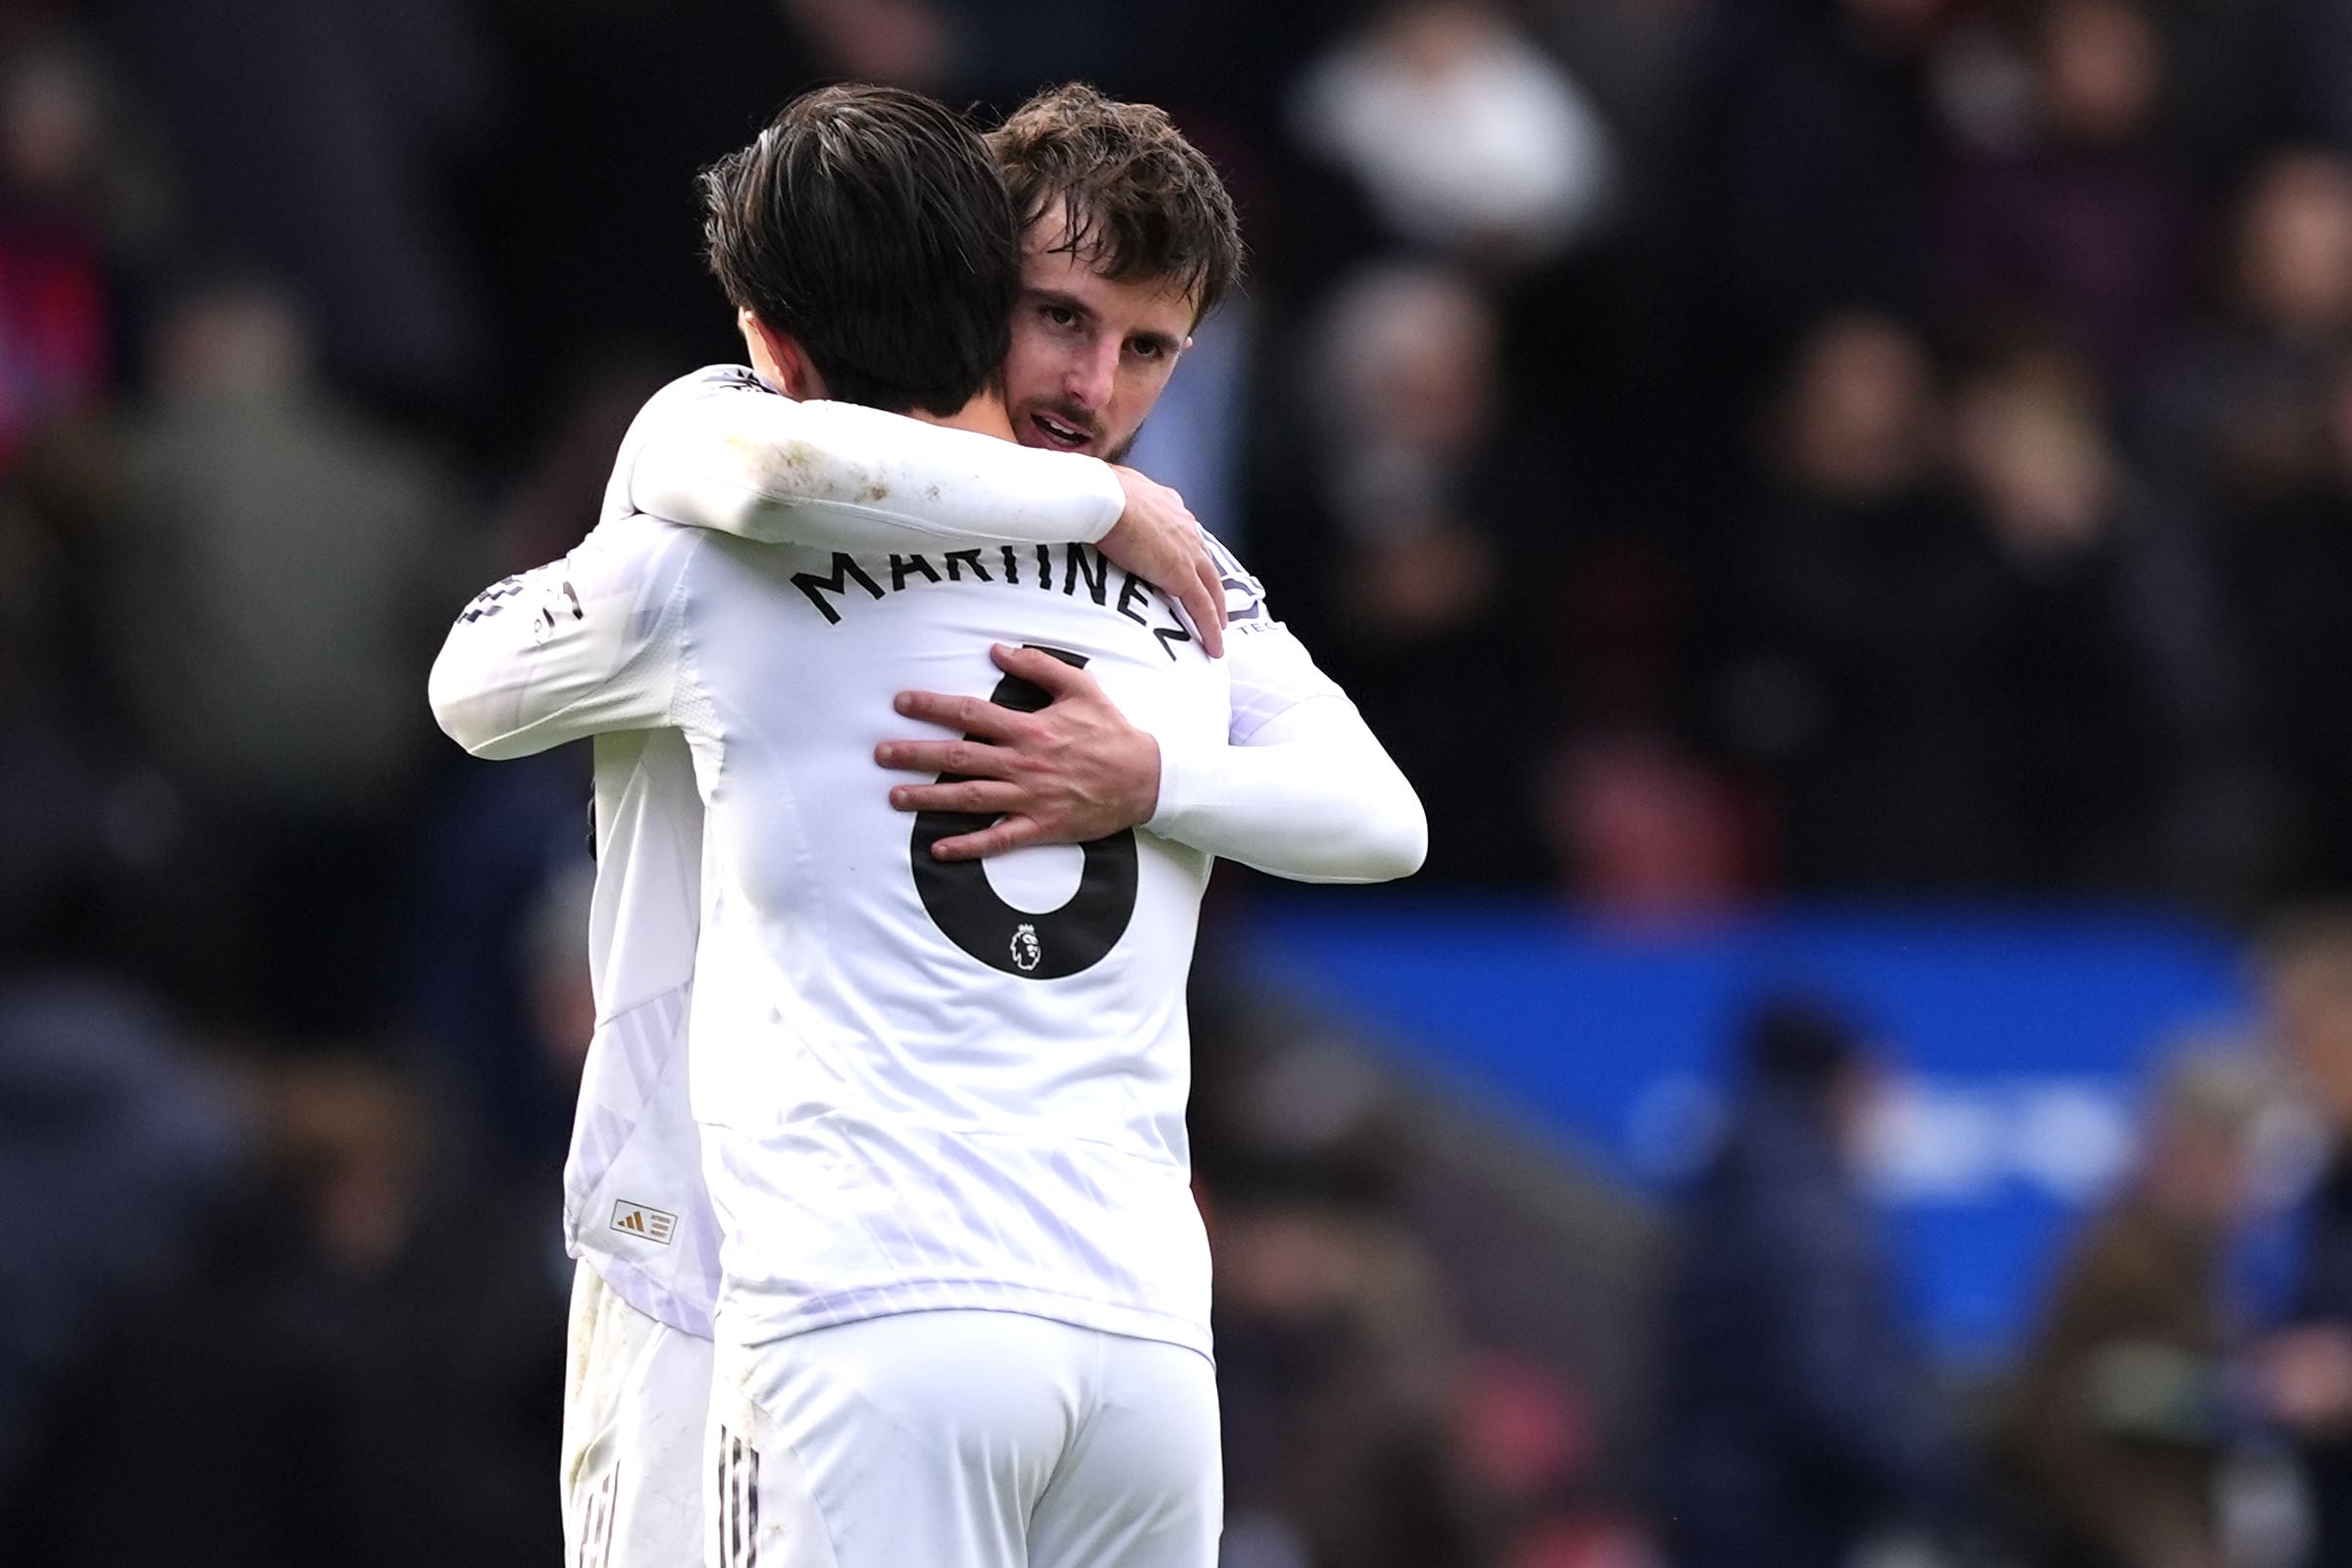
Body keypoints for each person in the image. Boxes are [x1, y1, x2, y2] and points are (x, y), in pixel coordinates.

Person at [431, 83, 1425, 1568]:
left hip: (836, 1285)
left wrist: (1144, 776)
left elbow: (475, 679)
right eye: (1061, 318)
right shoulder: (1148, 545)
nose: (1094, 386)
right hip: (1120, 1326)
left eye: (1147, 345)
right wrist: (1089, 526)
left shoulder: (728, 533)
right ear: (968, 277)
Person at [1660, 994, 1955, 1568]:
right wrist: (1938, 1482)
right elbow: (1830, 1391)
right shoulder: (1810, 1213)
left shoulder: (1739, 1178)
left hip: (1716, 1508)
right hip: (1781, 1521)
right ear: (1839, 1086)